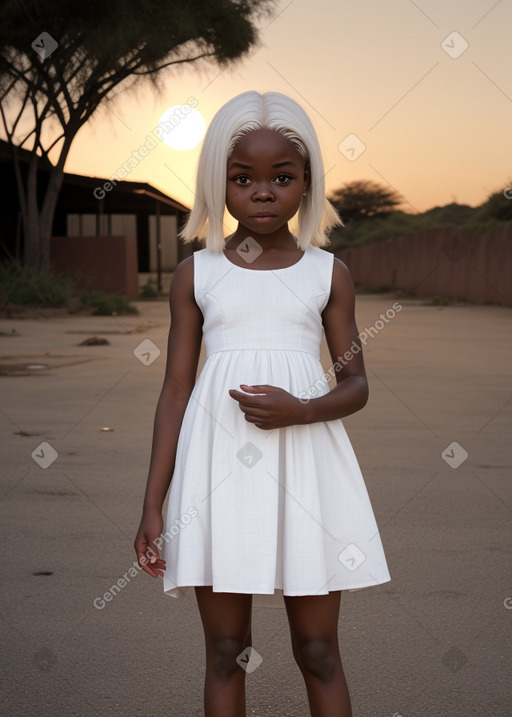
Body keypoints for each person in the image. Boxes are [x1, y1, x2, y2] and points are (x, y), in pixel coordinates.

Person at [134, 90, 390, 717]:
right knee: (226, 648)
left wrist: (302, 409)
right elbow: (175, 391)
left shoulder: (328, 273)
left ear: (307, 182)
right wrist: (152, 503)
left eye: (283, 177)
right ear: (217, 183)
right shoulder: (197, 274)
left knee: (318, 649)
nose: (264, 192)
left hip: (307, 466)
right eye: (242, 178)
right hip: (217, 475)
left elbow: (356, 385)